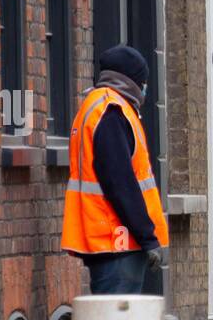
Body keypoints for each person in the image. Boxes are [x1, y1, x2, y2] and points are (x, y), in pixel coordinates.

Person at [61, 45, 169, 295]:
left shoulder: (96, 106)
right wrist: (147, 236)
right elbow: (121, 183)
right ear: (133, 81)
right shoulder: (113, 111)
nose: (145, 89)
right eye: (143, 82)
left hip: (106, 239)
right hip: (117, 241)